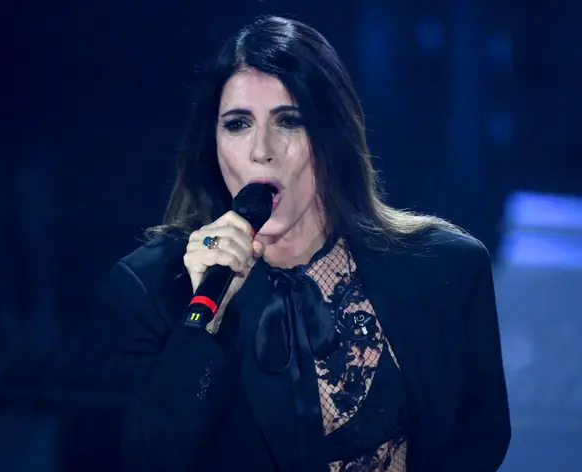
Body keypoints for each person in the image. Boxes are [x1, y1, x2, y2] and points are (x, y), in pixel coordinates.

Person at [108, 15, 511, 472]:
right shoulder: (153, 285)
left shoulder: (446, 267)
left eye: (289, 121)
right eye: (238, 124)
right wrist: (205, 322)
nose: (261, 150)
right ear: (212, 141)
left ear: (332, 134)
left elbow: (479, 440)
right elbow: (151, 459)